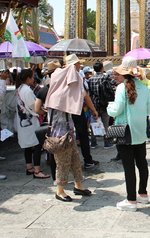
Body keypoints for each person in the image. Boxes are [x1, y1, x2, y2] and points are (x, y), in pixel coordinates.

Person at [45, 54, 95, 201]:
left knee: (75, 160)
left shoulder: (58, 92)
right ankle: (59, 191)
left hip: (68, 133)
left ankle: (78, 185)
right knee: (63, 163)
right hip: (60, 136)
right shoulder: (58, 98)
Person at [107, 57, 150, 211]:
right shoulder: (145, 88)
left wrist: (109, 108)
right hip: (140, 131)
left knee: (128, 166)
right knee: (142, 163)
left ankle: (131, 200)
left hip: (126, 132)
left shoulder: (121, 88)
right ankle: (143, 194)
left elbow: (117, 110)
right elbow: (147, 111)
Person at [15, 69, 49, 179]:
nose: (34, 79)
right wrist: (44, 112)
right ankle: (37, 170)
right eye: (32, 77)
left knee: (28, 146)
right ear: (28, 78)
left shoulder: (20, 89)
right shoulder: (27, 90)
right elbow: (34, 107)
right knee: (37, 144)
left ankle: (29, 167)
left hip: (23, 121)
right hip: (30, 121)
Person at [34, 60, 61, 182]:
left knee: (52, 151)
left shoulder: (44, 90)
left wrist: (45, 113)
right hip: (63, 123)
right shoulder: (63, 88)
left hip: (50, 123)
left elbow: (36, 108)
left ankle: (56, 177)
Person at [88, 61, 117, 148]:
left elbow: (90, 94)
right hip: (104, 104)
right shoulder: (105, 77)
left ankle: (93, 142)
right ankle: (107, 142)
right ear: (102, 68)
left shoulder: (90, 79)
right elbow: (115, 83)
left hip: (94, 105)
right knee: (106, 123)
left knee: (94, 123)